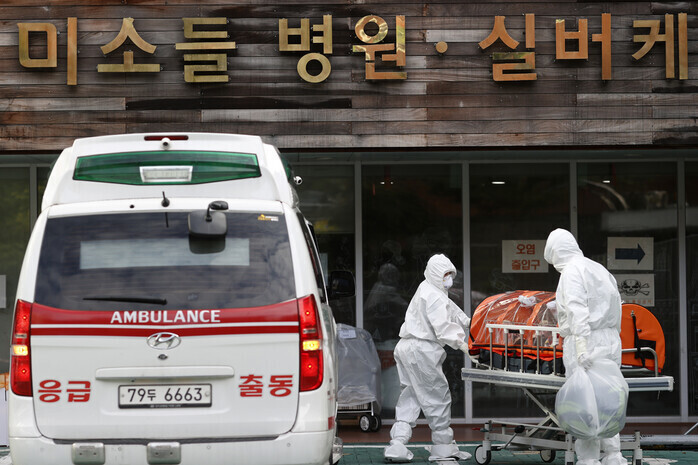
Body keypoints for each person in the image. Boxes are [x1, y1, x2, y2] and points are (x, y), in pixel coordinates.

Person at [544, 228, 626, 465]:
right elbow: (614, 306)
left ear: (557, 252)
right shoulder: (598, 268)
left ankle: (589, 459)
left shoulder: (571, 272)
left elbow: (578, 309)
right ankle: (613, 455)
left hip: (586, 341)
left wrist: (581, 345)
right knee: (609, 401)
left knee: (586, 403)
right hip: (610, 340)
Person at [383, 254, 471, 463]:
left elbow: (453, 311)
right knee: (436, 395)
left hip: (406, 347)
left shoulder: (427, 288)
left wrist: (470, 321)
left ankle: (398, 443)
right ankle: (442, 447)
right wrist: (464, 345)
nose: (448, 279)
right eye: (445, 274)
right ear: (435, 273)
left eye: (450, 274)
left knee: (411, 395)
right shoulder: (434, 296)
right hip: (422, 349)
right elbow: (443, 328)